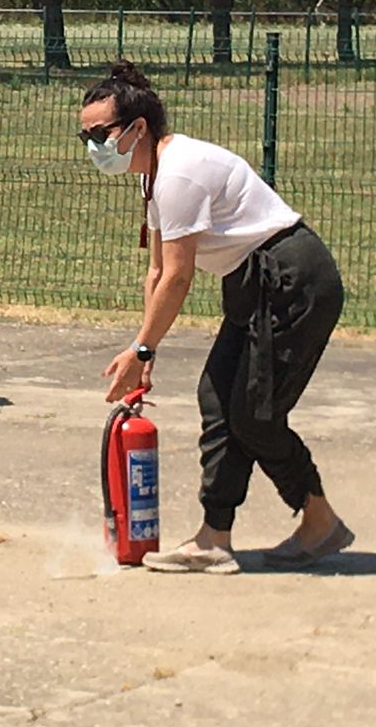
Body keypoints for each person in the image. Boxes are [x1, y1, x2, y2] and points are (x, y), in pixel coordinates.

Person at [79, 62, 351, 573]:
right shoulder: (155, 177)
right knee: (218, 397)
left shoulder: (179, 172)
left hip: (292, 279)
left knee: (254, 412)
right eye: (85, 137)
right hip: (254, 283)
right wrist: (144, 349)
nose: (93, 146)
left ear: (137, 127)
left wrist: (142, 349)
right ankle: (214, 539)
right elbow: (156, 271)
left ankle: (319, 519)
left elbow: (179, 277)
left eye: (99, 135)